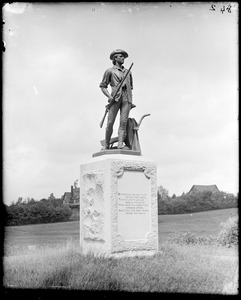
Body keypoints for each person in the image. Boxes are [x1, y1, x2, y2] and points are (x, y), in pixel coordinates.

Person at [99, 49, 135, 150]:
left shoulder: (128, 72)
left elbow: (130, 87)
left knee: (123, 123)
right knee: (110, 123)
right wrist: (110, 97)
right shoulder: (109, 71)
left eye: (123, 56)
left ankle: (120, 144)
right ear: (115, 58)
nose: (123, 58)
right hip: (114, 98)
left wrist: (129, 100)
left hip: (126, 99)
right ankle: (106, 144)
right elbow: (103, 86)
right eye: (121, 56)